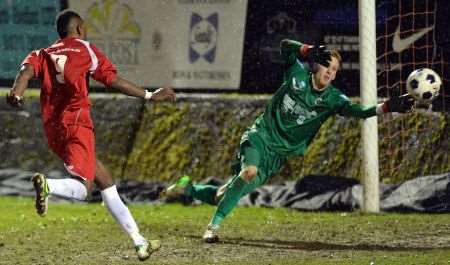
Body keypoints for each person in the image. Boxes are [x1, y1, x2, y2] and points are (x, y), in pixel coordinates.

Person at [163, 39, 414, 243]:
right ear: (316, 65)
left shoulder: (333, 99)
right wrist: (306, 49)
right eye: (327, 65)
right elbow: (284, 46)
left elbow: (359, 112)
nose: (330, 71)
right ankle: (213, 228)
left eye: (335, 70)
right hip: (259, 137)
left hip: (277, 157)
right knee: (248, 171)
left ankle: (188, 188)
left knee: (222, 195)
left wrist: (388, 106)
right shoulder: (296, 74)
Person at [6, 10, 176, 261]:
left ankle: (139, 241)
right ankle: (48, 185)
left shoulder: (43, 53)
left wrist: (16, 93)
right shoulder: (85, 49)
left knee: (105, 181)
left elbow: (25, 73)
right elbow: (113, 80)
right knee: (84, 189)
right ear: (80, 29)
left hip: (54, 129)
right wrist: (150, 95)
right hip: (77, 125)